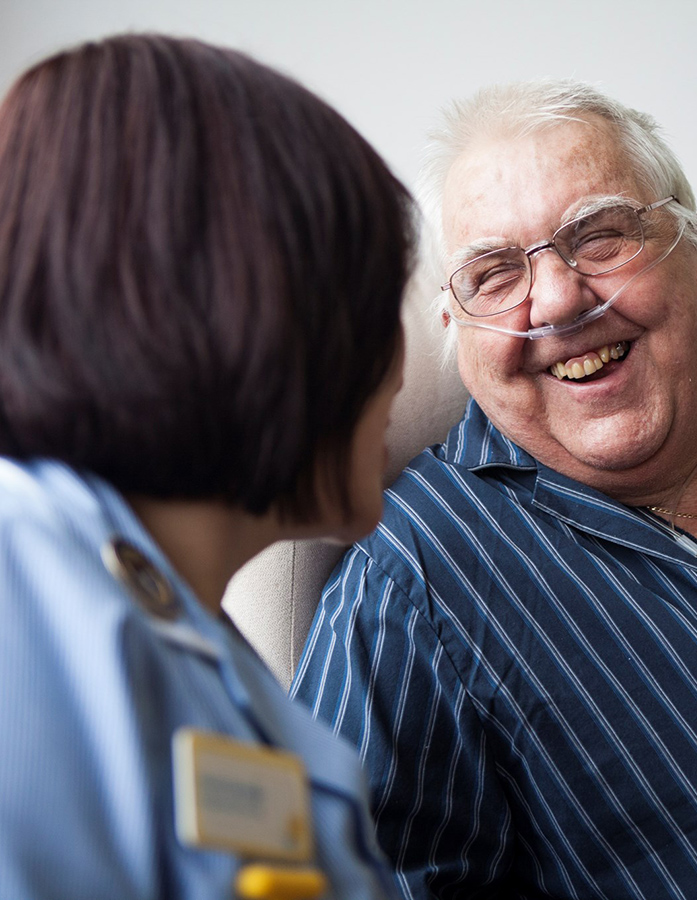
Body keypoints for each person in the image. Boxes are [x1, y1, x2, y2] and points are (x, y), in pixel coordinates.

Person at [293, 79, 697, 899]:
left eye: (600, 235)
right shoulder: (413, 589)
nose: (556, 301)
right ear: (456, 333)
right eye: (495, 274)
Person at [0, 34, 415, 899]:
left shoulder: (216, 655)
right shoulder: (16, 568)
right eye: (381, 302)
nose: (403, 368)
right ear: (267, 305)